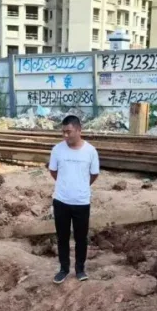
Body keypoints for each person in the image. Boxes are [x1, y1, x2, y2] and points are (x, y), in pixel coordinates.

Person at [49, 115, 100, 283]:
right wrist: (65, 185)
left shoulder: (90, 151)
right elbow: (53, 171)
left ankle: (80, 269)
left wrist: (81, 186)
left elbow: (94, 174)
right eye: (63, 132)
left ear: (79, 130)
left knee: (81, 238)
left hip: (81, 202)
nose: (65, 135)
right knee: (62, 237)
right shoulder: (57, 150)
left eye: (69, 132)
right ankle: (63, 269)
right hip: (61, 201)